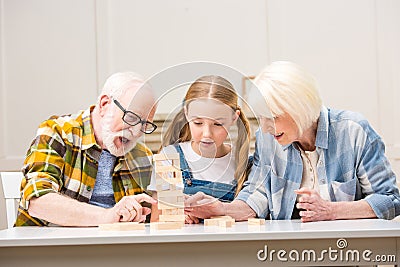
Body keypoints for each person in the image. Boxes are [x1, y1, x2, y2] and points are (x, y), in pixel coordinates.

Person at [185, 61, 400, 222]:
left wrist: (331, 210)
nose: (266, 127)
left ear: (299, 109)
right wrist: (222, 209)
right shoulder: (268, 139)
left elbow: (390, 200)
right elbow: (256, 195)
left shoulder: (353, 131)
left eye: (273, 117)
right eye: (261, 118)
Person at [15, 72, 158, 226]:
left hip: (115, 248)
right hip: (49, 246)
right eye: (131, 117)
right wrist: (107, 216)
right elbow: (38, 202)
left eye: (144, 125)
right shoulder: (58, 133)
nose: (136, 132)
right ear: (104, 105)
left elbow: (151, 218)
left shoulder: (142, 156)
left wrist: (177, 208)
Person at [148, 75, 252, 223]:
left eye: (218, 124)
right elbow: (157, 220)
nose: (207, 134)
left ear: (234, 118)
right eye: (198, 123)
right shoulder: (169, 158)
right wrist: (178, 219)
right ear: (186, 113)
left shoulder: (244, 162)